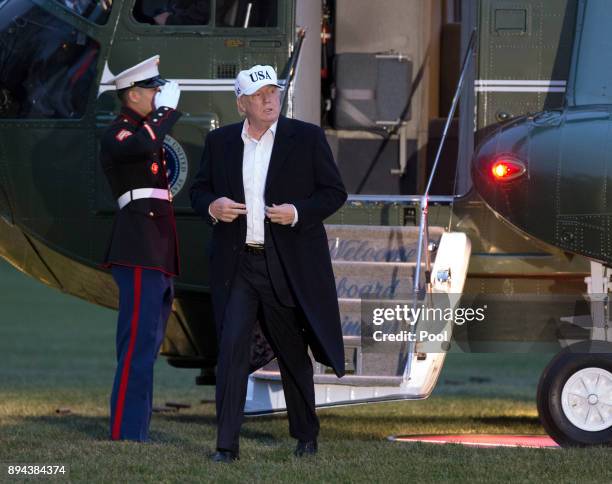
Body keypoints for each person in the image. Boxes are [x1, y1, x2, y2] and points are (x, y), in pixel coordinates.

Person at [190, 65, 347, 462]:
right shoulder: (220, 141)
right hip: (238, 264)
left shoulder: (306, 138)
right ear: (241, 103)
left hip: (286, 263)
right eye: (259, 94)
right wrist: (212, 205)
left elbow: (334, 192)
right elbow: (198, 190)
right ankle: (226, 446)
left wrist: (297, 212)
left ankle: (306, 435)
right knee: (230, 351)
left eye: (273, 92)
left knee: (293, 351)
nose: (269, 99)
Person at [99, 55, 182, 441]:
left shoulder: (145, 129)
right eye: (152, 89)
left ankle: (137, 428)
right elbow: (137, 147)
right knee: (136, 344)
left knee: (147, 343)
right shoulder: (119, 132)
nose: (158, 94)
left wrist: (160, 115)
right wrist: (165, 113)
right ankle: (126, 431)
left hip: (156, 251)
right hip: (137, 250)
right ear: (132, 94)